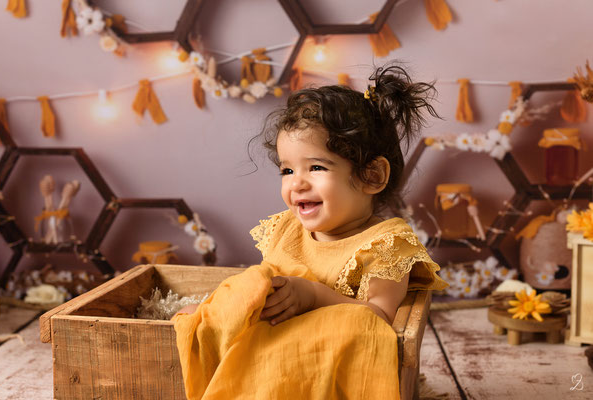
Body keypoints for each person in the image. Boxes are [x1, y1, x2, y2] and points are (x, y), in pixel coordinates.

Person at [172, 64, 448, 400]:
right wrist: (225, 308)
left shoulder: (386, 244)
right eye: (287, 170)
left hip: (321, 357)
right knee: (248, 284)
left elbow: (379, 320)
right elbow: (270, 290)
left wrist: (313, 296)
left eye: (316, 167)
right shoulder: (286, 229)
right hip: (273, 347)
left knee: (355, 326)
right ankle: (213, 326)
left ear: (372, 175)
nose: (297, 183)